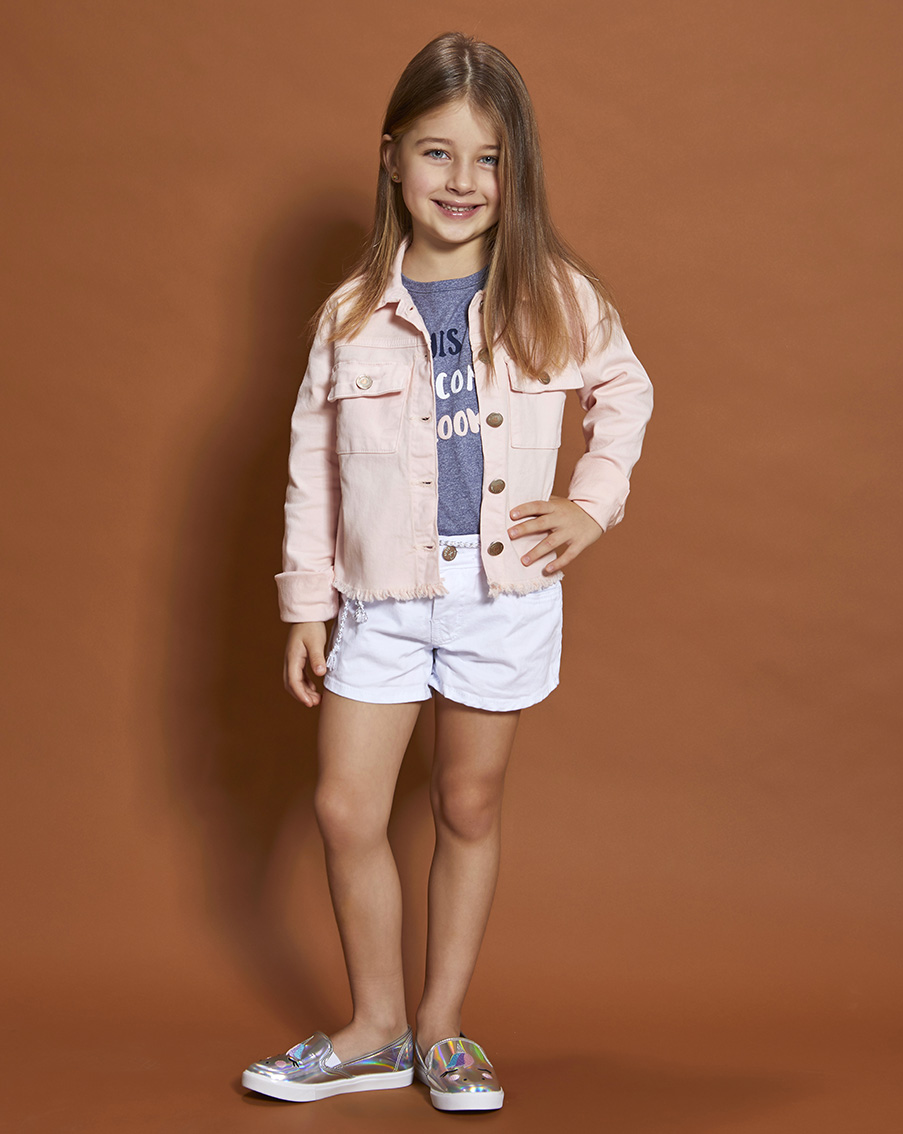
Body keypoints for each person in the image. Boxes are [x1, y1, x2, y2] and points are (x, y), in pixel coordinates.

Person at [241, 31, 653, 1113]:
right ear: (391, 159)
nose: (462, 180)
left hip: (500, 593)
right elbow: (312, 469)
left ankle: (440, 1029)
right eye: (437, 152)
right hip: (382, 595)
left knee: (467, 802)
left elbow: (626, 391)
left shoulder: (553, 293)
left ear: (516, 171)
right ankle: (375, 1028)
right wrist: (306, 604)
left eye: (488, 158)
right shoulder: (349, 316)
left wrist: (591, 503)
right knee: (346, 807)